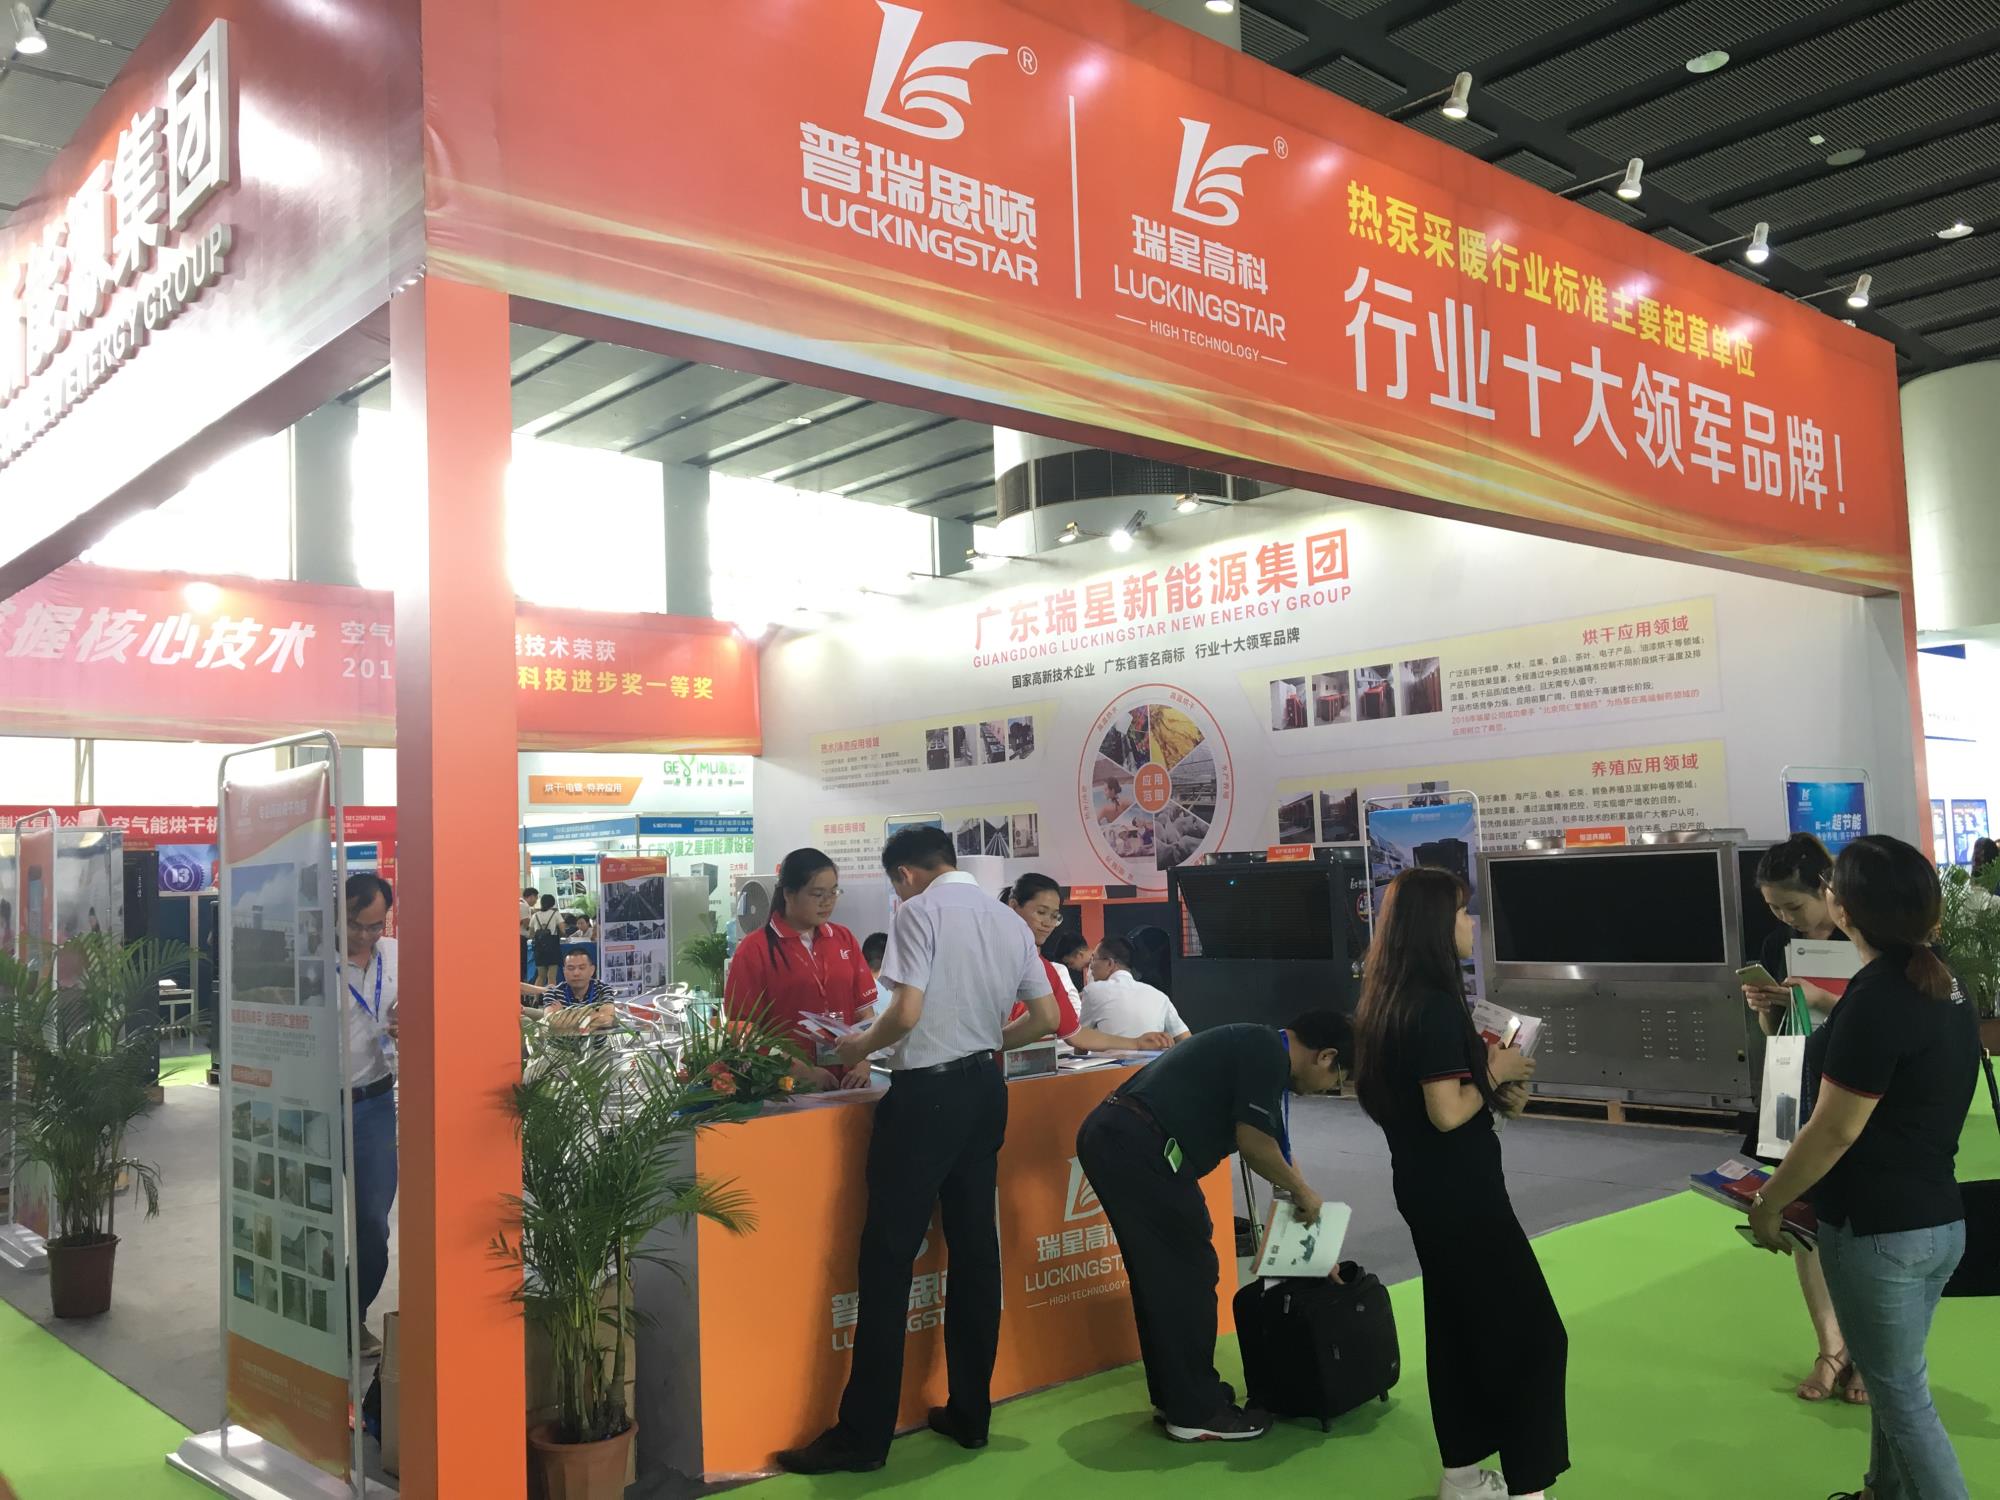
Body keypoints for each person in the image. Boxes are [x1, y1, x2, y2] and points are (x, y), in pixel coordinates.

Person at [776, 827, 1059, 1475]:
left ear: (904, 874)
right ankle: (970, 1414)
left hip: (926, 1098)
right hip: (985, 1092)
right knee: (976, 1252)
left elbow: (904, 1014)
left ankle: (864, 1436)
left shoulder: (918, 913)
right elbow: (1045, 1019)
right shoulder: (1008, 920)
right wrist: (984, 1041)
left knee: (887, 1259)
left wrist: (855, 1047)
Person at [1749, 835, 1980, 1500]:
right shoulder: (1941, 982)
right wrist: (1817, 1006)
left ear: (1843, 908)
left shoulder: (1879, 997)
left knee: (1904, 1400)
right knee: (1891, 1382)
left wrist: (1769, 1202)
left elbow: (1834, 1130)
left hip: (1878, 1231)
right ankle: (1883, 1490)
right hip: (1934, 1221)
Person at [1352, 867, 1564, 1500]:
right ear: (1436, 925)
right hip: (1463, 1196)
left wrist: (1498, 1086)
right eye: (1462, 913)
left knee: (1457, 1329)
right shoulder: (1434, 1006)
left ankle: (1464, 1475)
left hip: (1425, 1189)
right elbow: (1447, 1112)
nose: (1471, 925)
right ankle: (1529, 1485)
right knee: (1532, 1335)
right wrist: (1495, 1071)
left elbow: (1444, 1105)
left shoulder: (1389, 1001)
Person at [1075, 1011, 1352, 1442]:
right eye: (1336, 1079)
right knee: (1187, 1273)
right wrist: (1304, 1193)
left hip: (1123, 1140)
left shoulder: (1261, 1046)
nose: (1328, 1088)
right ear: (1326, 1056)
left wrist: (1313, 1242)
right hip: (1138, 1146)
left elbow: (1278, 1153)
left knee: (1166, 1277)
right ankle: (1196, 1411)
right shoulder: (1267, 1054)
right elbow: (1255, 1146)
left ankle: (1179, 1396)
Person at [1739, 834, 1866, 1405]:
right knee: (1804, 1220)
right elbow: (1780, 1036)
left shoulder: (1866, 933)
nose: (1785, 918)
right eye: (1774, 908)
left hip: (1860, 1088)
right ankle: (1830, 1347)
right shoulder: (1778, 943)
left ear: (1826, 888)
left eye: (1792, 906)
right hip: (1797, 1084)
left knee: (1864, 1220)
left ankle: (1868, 1350)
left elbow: (1883, 1019)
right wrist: (1768, 1010)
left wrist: (1822, 1000)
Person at [723, 849, 877, 1091]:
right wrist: (799, 1070)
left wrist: (864, 1060)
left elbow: (865, 1014)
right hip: (788, 1089)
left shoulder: (843, 938)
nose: (827, 901)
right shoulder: (755, 949)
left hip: (849, 1084)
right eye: (817, 894)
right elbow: (742, 1029)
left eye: (833, 892)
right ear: (789, 894)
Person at [1002, 877, 1173, 1052]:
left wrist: (1136, 1043)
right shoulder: (992, 953)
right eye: (1041, 912)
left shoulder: (1044, 970)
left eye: (1054, 916)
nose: (1048, 924)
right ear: (1013, 907)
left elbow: (1075, 1033)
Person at [343, 872, 399, 1360]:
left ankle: (350, 1315)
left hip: (375, 1103)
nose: (364, 936)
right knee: (310, 1220)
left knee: (373, 1223)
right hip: (314, 1106)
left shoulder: (397, 956)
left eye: (374, 926)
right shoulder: (310, 963)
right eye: (355, 925)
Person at [1081, 936, 1190, 1046]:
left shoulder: (1092, 991)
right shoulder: (1159, 996)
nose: (1091, 966)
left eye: (1093, 959)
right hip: (1156, 1057)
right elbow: (1186, 1040)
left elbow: (1080, 1042)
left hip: (1112, 1057)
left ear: (1110, 963)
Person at [530, 948, 618, 1035]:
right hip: (563, 1044)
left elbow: (607, 1019)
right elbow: (551, 1023)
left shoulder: (603, 989)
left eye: (582, 968)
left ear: (592, 970)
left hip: (596, 1044)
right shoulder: (553, 993)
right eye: (571, 968)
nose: (576, 973)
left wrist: (564, 1016)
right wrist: (593, 1016)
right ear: (564, 971)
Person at [526, 893, 564, 989]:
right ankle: (550, 996)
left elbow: (531, 934)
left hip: (539, 948)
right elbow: (563, 930)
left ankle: (536, 996)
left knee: (540, 976)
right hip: (552, 947)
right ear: (552, 903)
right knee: (551, 976)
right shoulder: (555, 914)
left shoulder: (535, 915)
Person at [1044, 927, 1091, 994]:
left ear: (1080, 954)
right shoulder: (1092, 970)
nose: (1069, 967)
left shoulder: (1098, 968)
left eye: (1071, 963)